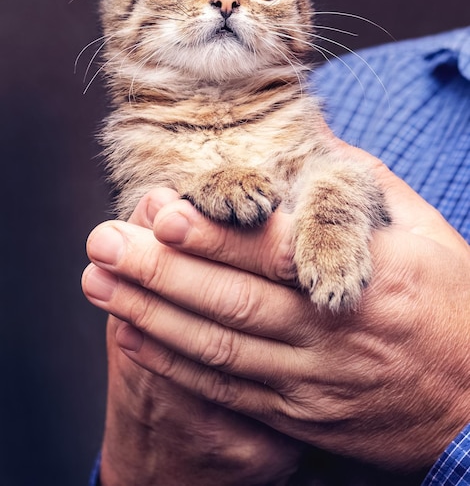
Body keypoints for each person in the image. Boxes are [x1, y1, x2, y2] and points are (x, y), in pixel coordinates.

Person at [82, 27, 470, 485]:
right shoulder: (345, 83)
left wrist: (454, 412)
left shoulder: (314, 93)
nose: (226, 0)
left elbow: (338, 177)